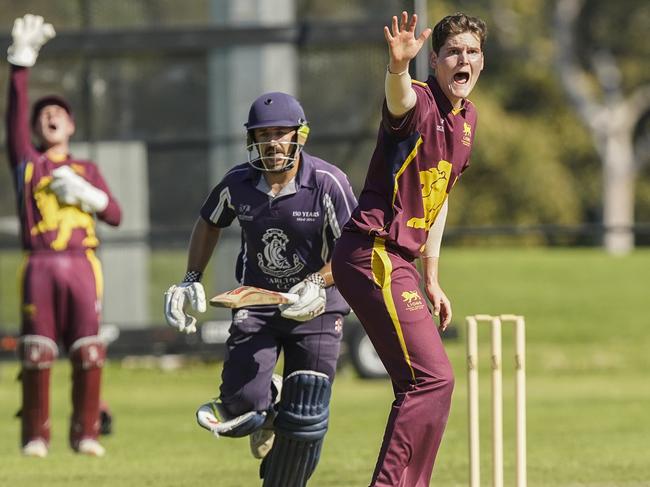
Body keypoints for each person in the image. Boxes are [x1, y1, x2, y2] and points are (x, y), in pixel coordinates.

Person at [164, 92, 357, 486]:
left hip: (317, 306)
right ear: (251, 139)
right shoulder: (239, 182)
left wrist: (320, 281)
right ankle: (265, 400)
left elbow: (356, 249)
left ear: (300, 136)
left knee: (306, 413)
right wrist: (190, 278)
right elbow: (209, 221)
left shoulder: (327, 182)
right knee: (239, 409)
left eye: (281, 133)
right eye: (263, 134)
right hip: (259, 303)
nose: (272, 142)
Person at [331, 11, 487, 487]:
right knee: (434, 378)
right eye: (453, 52)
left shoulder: (467, 121)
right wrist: (398, 67)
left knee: (421, 385)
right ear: (435, 61)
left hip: (399, 259)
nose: (464, 60)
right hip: (371, 250)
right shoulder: (419, 100)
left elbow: (437, 200)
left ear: (482, 60)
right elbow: (398, 101)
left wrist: (432, 276)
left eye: (473, 52)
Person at [5, 14, 122, 458]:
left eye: (59, 112)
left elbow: (114, 213)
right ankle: (36, 436)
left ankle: (86, 434)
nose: (50, 116)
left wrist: (87, 193)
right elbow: (13, 124)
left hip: (82, 265)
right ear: (36, 129)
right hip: (39, 263)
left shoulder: (87, 170)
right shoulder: (28, 165)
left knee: (89, 352)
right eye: (43, 114)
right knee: (37, 352)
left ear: (71, 126)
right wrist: (20, 65)